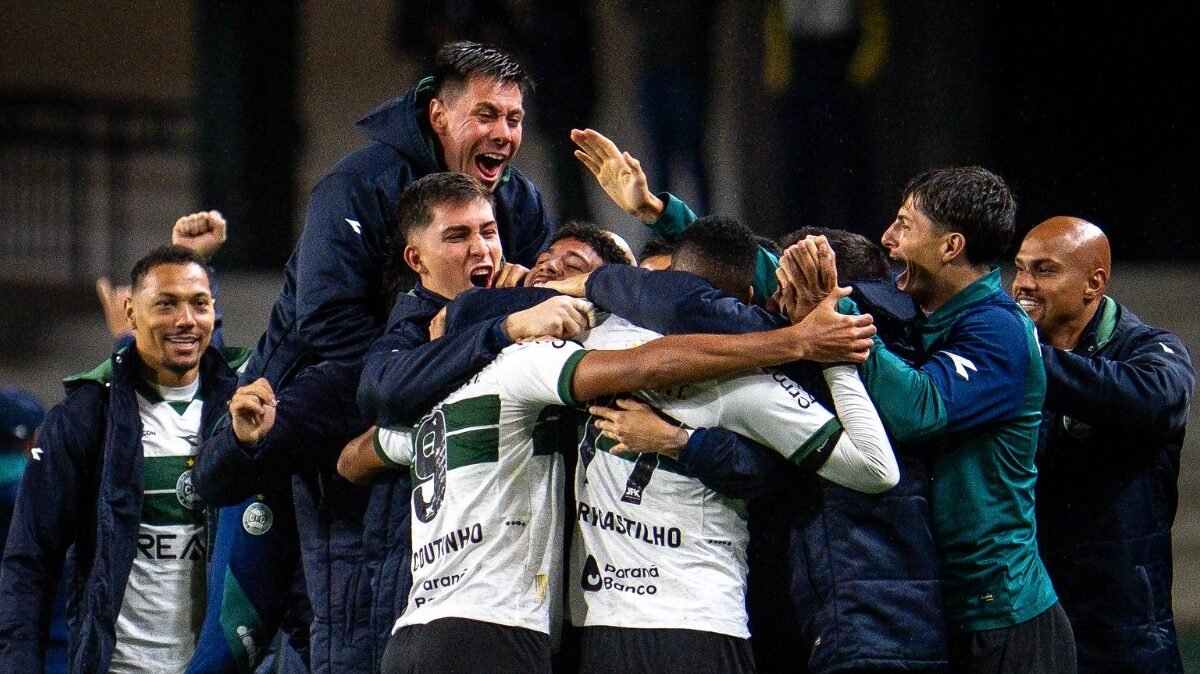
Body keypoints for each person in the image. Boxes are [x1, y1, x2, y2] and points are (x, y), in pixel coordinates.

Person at [196, 40, 555, 672]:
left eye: (514, 118)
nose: (503, 133)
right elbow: (328, 323)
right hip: (311, 401)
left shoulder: (519, 204)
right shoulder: (356, 186)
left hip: (409, 411)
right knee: (234, 646)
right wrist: (422, 377)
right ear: (439, 115)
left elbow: (520, 309)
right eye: (486, 115)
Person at [799, 167, 1072, 673]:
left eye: (905, 224)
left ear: (951, 247)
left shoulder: (998, 328)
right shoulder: (934, 318)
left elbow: (918, 412)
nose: (888, 238)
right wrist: (664, 215)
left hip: (1005, 616)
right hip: (951, 612)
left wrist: (849, 328)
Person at [0, 246, 249, 673]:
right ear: (130, 314)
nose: (185, 320)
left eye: (199, 304)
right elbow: (30, 562)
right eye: (166, 304)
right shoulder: (82, 419)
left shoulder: (244, 413)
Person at [1012, 216, 1195, 673]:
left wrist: (1030, 360)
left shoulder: (1148, 350)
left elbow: (1157, 400)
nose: (1023, 285)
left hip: (1125, 636)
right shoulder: (1014, 354)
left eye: (1044, 270)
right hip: (1030, 619)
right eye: (1019, 268)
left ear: (1094, 282)